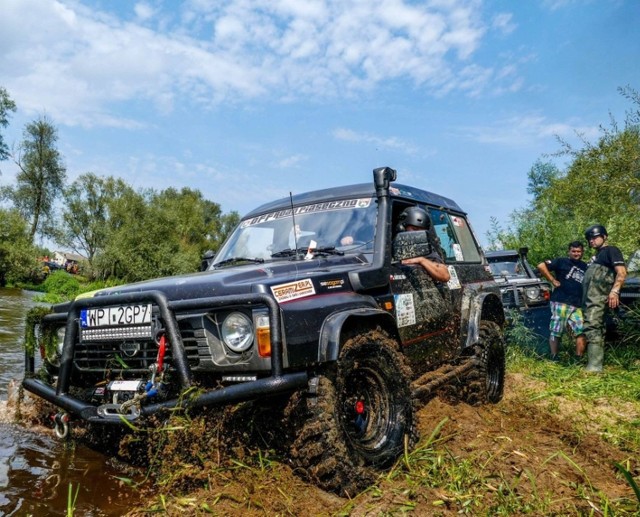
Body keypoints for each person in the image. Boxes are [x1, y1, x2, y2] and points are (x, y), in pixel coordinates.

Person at [582, 224, 627, 373]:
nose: (592, 241)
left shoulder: (611, 250)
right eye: (589, 239)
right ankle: (595, 363)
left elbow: (621, 272)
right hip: (590, 300)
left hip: (599, 299)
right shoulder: (596, 257)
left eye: (595, 237)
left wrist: (614, 291)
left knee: (593, 325)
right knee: (595, 327)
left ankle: (594, 367)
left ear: (604, 237)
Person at [537, 241, 588, 361]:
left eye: (579, 251)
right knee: (556, 331)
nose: (576, 254)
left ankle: (578, 359)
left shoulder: (585, 266)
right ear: (569, 251)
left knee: (581, 331)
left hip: (577, 304)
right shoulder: (561, 261)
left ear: (582, 252)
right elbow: (541, 265)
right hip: (560, 301)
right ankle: (554, 357)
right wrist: (552, 280)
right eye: (574, 251)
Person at [397, 206, 450, 283]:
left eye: (422, 232)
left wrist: (421, 260)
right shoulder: (391, 245)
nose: (418, 234)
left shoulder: (425, 249)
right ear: (402, 228)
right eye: (414, 229)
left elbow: (445, 275)